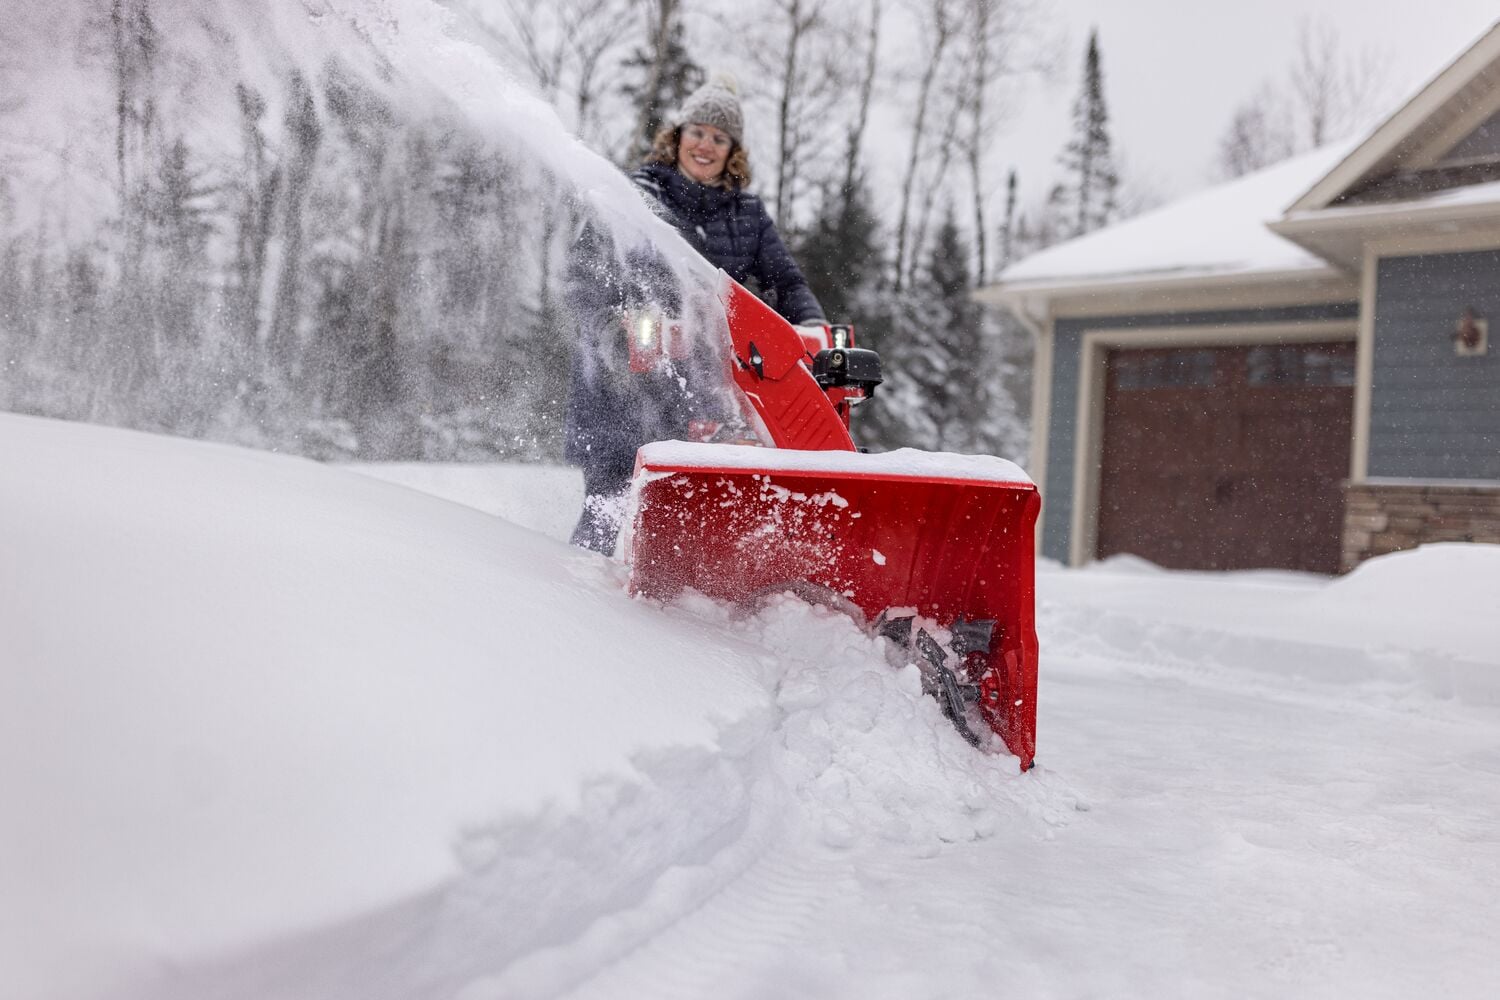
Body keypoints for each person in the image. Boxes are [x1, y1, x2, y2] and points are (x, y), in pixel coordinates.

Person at [564, 74, 827, 554]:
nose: (705, 144)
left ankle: (682, 617)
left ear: (733, 151)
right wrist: (616, 329)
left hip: (701, 396)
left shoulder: (746, 216)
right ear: (678, 135)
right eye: (698, 131)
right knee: (611, 510)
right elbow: (583, 278)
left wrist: (813, 329)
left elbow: (787, 284)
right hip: (620, 391)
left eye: (719, 137)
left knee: (686, 524)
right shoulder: (634, 198)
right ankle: (580, 606)